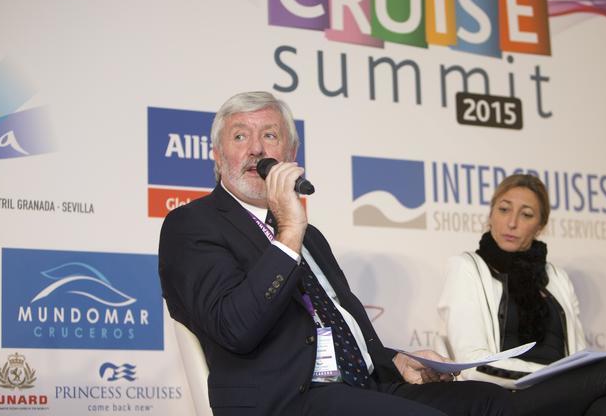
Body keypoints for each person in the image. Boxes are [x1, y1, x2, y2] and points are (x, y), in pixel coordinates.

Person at [158, 91, 514, 416]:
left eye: (269, 135)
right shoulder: (192, 225)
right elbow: (235, 328)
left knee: (493, 402)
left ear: (291, 155)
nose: (256, 149)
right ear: (217, 156)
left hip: (361, 388)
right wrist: (289, 232)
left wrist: (396, 362)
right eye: (239, 137)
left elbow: (337, 325)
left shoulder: (310, 236)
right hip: (285, 401)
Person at [437, 174, 606, 416]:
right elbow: (472, 365)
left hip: (556, 398)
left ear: (540, 226)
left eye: (526, 214)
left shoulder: (557, 277)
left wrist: (567, 378)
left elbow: (578, 354)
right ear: (491, 215)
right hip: (500, 399)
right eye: (504, 209)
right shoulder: (466, 267)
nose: (512, 222)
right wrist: (552, 374)